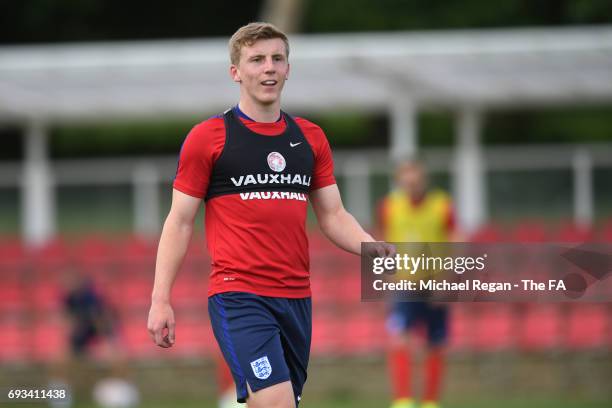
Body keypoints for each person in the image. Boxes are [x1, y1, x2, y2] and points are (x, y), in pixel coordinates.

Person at [147, 22, 393, 408]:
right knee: (276, 402)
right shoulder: (209, 137)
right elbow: (178, 222)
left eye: (278, 58)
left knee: (284, 404)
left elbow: (332, 214)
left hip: (297, 297)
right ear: (236, 72)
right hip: (239, 294)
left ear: (288, 69)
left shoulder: (310, 138)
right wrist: (160, 299)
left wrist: (370, 247)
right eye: (257, 59)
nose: (269, 68)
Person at [377, 160, 457, 408]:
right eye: (407, 179)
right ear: (400, 181)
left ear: (424, 179)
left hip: (435, 282)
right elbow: (383, 241)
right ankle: (403, 400)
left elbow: (454, 240)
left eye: (416, 179)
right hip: (404, 283)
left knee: (436, 341)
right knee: (399, 337)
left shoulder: (442, 205)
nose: (412, 184)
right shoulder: (390, 207)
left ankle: (430, 401)